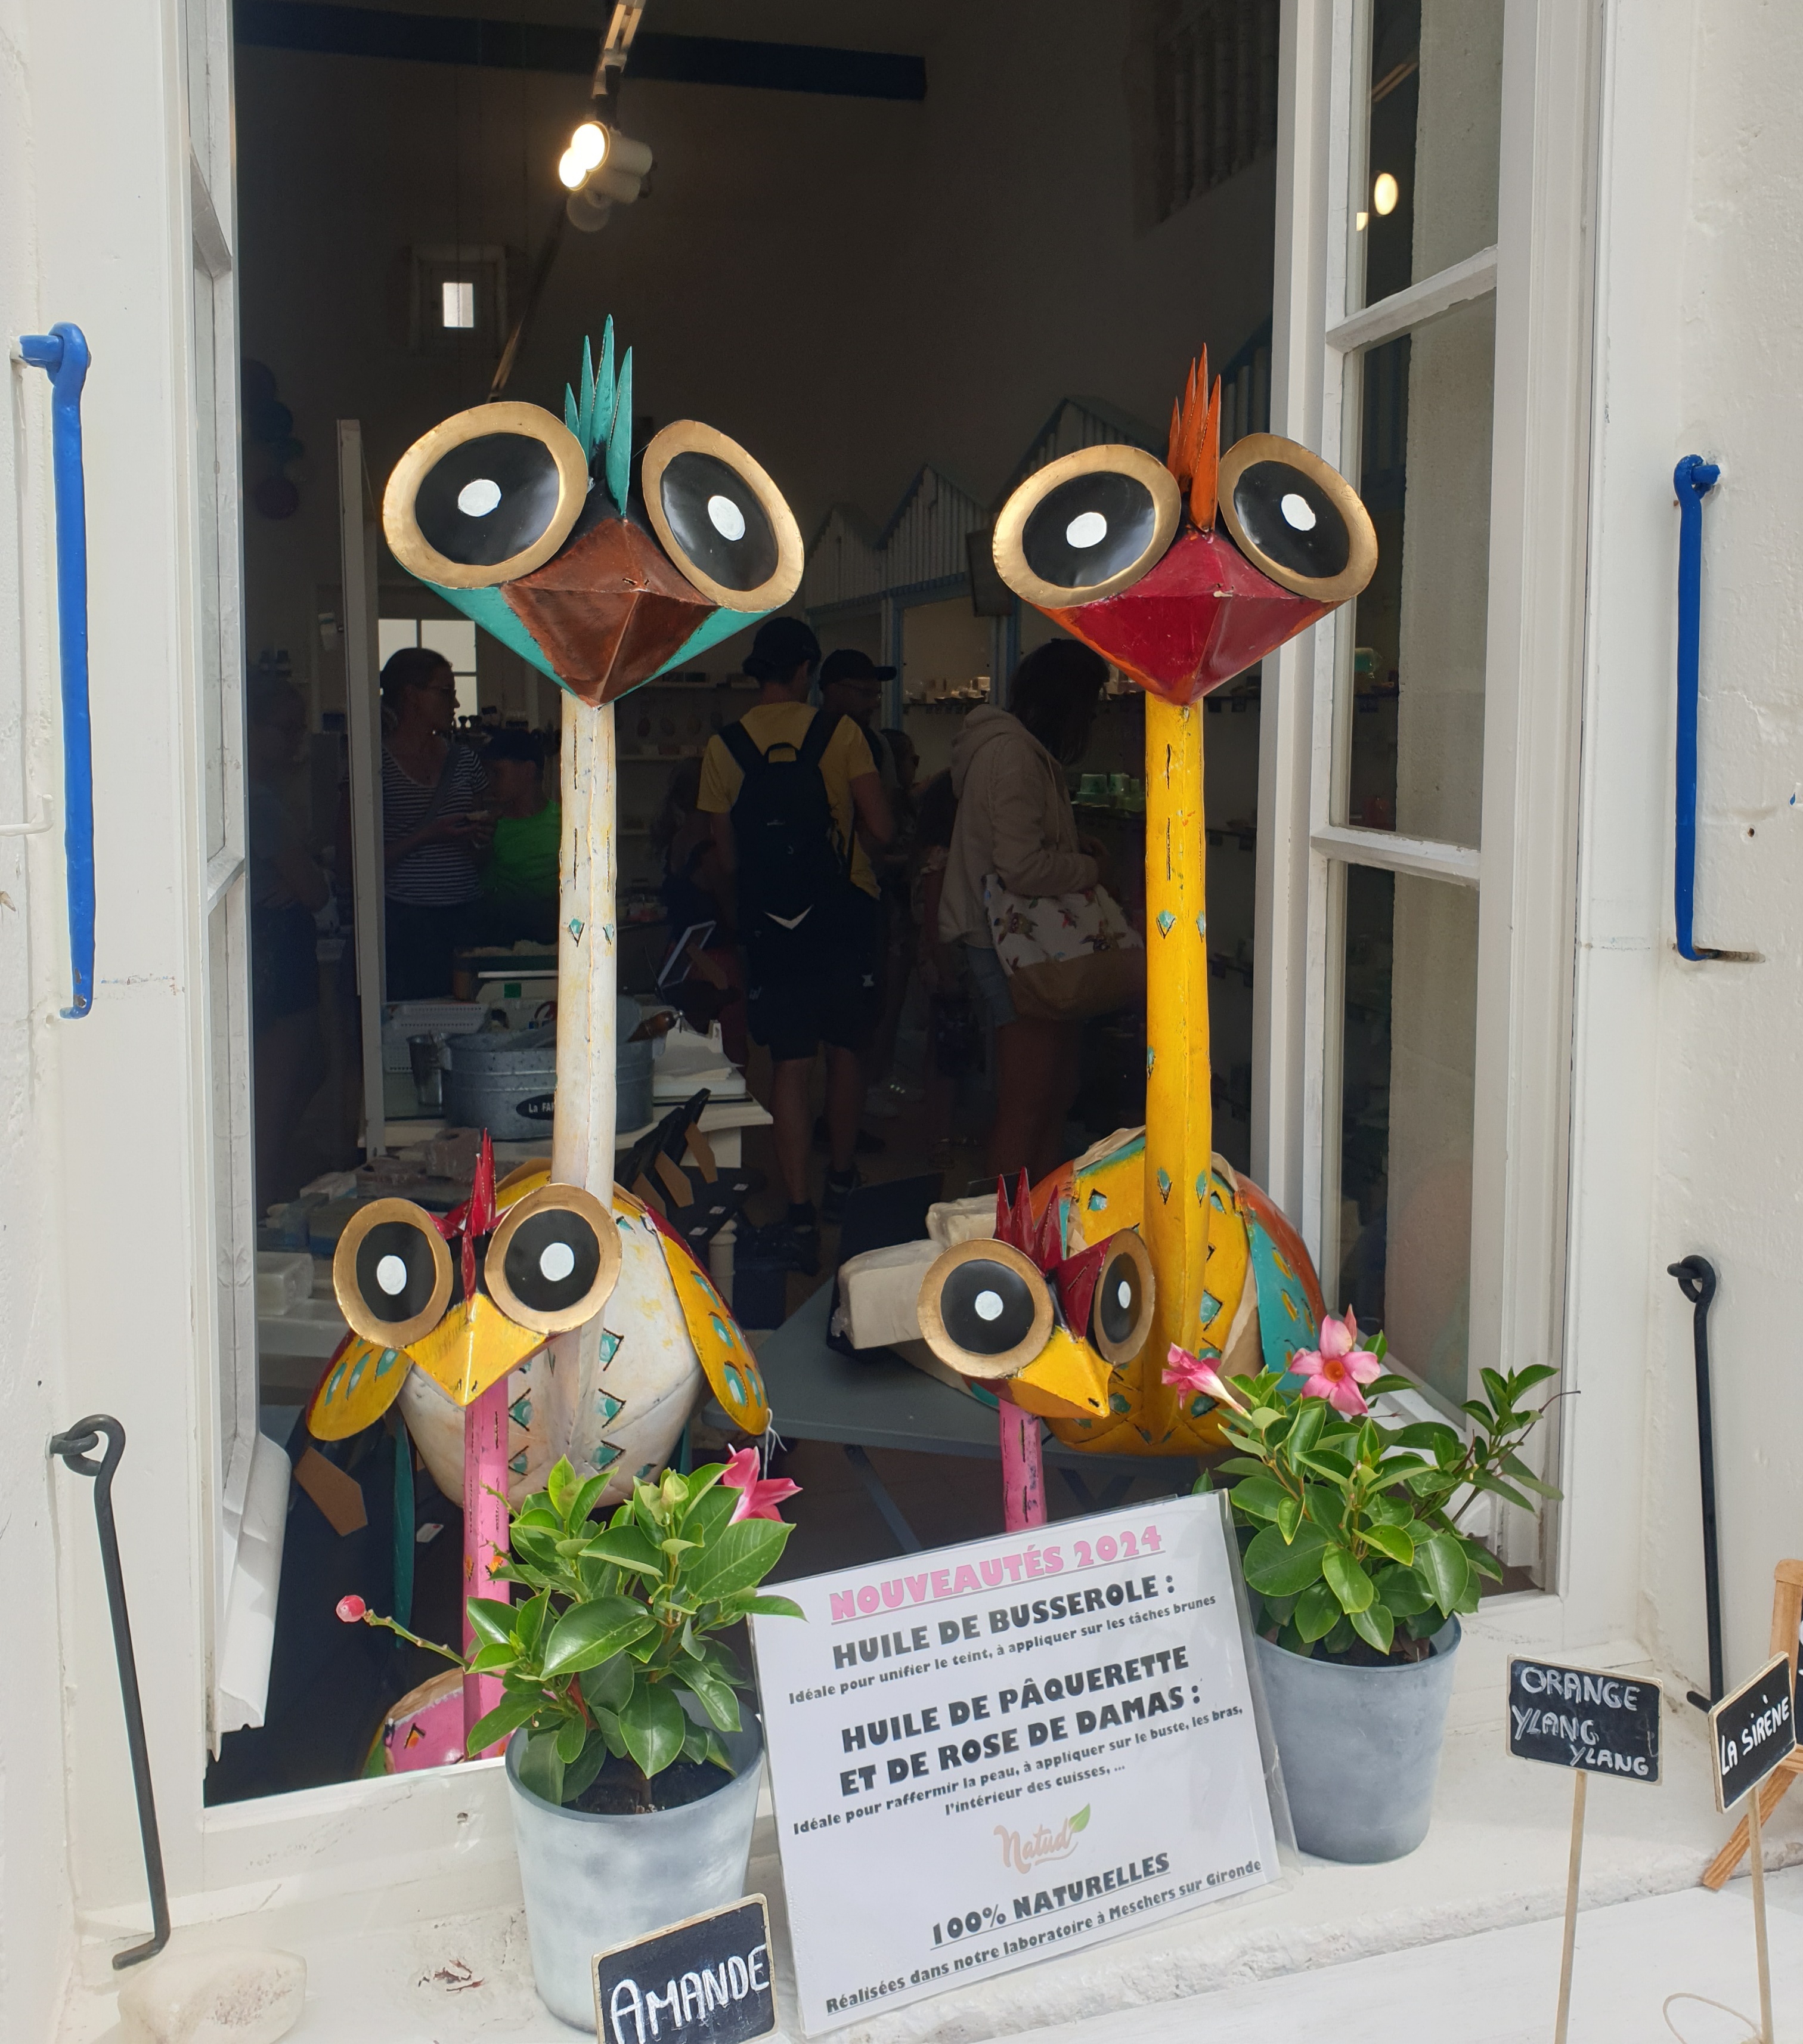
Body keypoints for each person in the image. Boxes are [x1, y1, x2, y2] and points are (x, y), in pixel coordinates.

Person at [698, 615, 892, 1268]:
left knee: (789, 1062)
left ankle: (799, 1211)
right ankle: (840, 1180)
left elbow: (727, 858)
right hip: (842, 913)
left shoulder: (723, 748)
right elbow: (882, 827)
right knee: (845, 1048)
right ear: (806, 670)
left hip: (771, 923)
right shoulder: (842, 735)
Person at [939, 638, 1110, 1183]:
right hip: (1012, 946)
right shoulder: (1014, 755)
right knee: (1030, 1102)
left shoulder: (1007, 749)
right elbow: (1021, 868)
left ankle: (1034, 1222)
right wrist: (1087, 867)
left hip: (1012, 941)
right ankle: (1016, 1228)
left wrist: (1071, 851)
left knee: (1047, 1096)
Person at [247, 676, 329, 1203]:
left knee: (308, 1066)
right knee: (276, 1091)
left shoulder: (256, 795)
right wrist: (305, 874)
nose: (297, 741)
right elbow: (314, 890)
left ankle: (264, 1190)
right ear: (251, 728)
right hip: (278, 954)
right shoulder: (259, 801)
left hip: (273, 950)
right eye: (286, 729)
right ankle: (262, 1203)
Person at [376, 646, 488, 998]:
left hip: (465, 916)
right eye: (445, 692)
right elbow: (355, 864)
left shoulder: (466, 762)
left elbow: (482, 856)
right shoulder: (374, 764)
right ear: (411, 696)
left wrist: (480, 836)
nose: (455, 704)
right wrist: (429, 835)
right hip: (404, 920)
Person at [476, 727, 559, 945]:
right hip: (503, 947)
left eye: (497, 773)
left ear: (528, 771)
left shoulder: (565, 823)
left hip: (556, 948)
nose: (490, 782)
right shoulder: (489, 827)